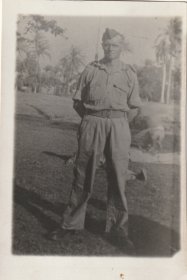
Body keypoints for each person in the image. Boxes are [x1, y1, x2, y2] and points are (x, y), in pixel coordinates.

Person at [48, 28, 143, 253]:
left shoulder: (129, 73)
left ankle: (118, 229)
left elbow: (135, 107)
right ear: (102, 45)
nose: (110, 48)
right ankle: (70, 224)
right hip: (92, 122)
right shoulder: (91, 70)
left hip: (119, 126)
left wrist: (117, 124)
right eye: (107, 44)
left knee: (119, 178)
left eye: (115, 45)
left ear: (122, 47)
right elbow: (77, 101)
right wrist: (93, 120)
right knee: (83, 175)